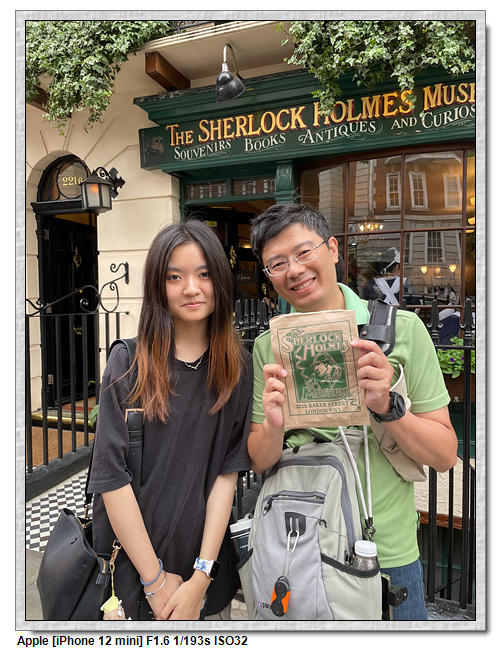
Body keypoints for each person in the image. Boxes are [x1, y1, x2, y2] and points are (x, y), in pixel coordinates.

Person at [248, 203, 457, 621]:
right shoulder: (267, 347)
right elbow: (259, 460)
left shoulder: (402, 331)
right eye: (278, 263)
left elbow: (445, 455)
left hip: (385, 553)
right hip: (299, 542)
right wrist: (274, 423)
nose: (294, 270)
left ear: (332, 249)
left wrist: (388, 406)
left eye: (303, 252)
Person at [88, 220, 253, 621]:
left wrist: (201, 576)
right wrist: (155, 580)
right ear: (157, 286)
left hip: (205, 578)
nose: (191, 288)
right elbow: (111, 478)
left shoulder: (238, 367)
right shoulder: (129, 362)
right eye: (174, 277)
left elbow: (227, 474)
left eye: (204, 274)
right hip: (130, 575)